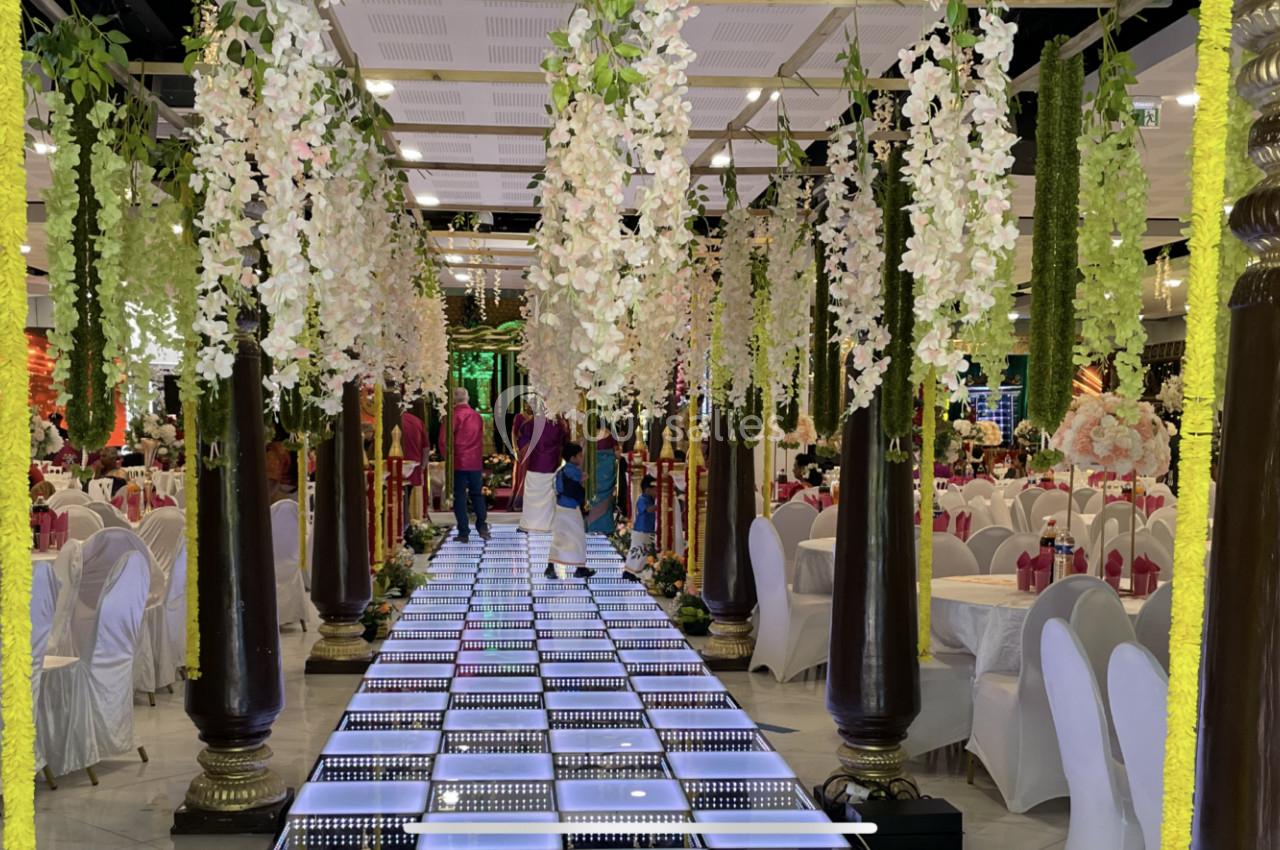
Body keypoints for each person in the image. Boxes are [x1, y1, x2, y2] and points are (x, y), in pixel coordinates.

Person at [545, 442, 595, 579]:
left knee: (559, 538)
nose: (581, 458)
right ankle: (580, 568)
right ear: (573, 458)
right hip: (571, 509)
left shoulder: (561, 470)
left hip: (561, 508)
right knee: (578, 538)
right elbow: (582, 478)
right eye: (579, 456)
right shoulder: (573, 470)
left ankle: (551, 567)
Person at [518, 409, 565, 534]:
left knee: (532, 495)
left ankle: (529, 524)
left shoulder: (531, 424)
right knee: (548, 496)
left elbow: (522, 440)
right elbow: (564, 441)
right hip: (551, 462)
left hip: (534, 462)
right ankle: (546, 525)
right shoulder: (558, 424)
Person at [452, 387, 489, 542]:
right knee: (477, 494)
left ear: (454, 399)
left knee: (460, 497)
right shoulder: (477, 416)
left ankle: (463, 532)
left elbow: (444, 441)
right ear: (467, 397)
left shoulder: (453, 416)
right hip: (474, 461)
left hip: (458, 462)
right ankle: (482, 527)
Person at [586, 427, 620, 534]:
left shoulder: (589, 433)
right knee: (606, 497)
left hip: (594, 468)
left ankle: (593, 525)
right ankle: (606, 526)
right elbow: (618, 453)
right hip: (607, 469)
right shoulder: (610, 434)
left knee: (594, 497)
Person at [624, 474, 658, 582]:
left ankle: (634, 572)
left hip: (647, 530)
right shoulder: (642, 499)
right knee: (637, 552)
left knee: (642, 553)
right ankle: (629, 572)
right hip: (641, 530)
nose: (657, 491)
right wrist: (660, 504)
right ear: (647, 489)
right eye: (655, 489)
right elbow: (648, 510)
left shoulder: (650, 499)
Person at [400, 406, 428, 526]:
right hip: (414, 465)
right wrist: (423, 465)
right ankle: (408, 525)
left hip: (393, 467)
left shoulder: (388, 420)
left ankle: (402, 526)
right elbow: (426, 447)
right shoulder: (417, 421)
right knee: (408, 495)